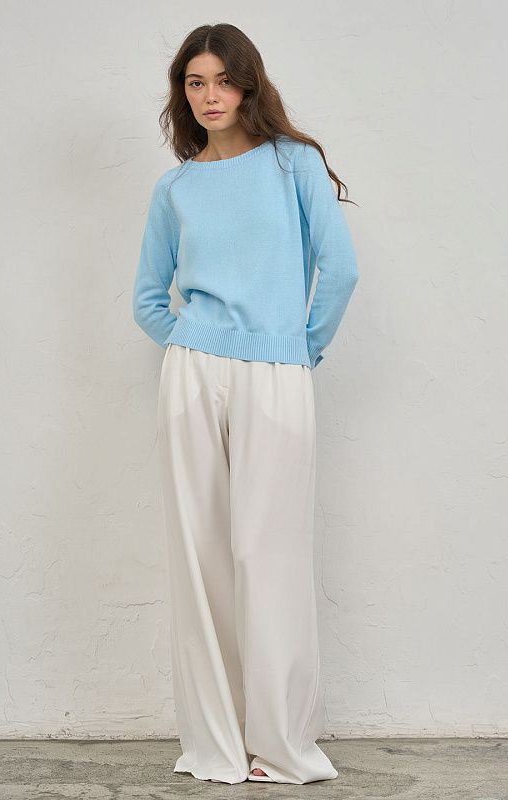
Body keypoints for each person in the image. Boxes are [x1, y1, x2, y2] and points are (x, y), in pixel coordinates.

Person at [132, 22, 359, 785]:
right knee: (199, 559)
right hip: (192, 376)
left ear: (248, 84)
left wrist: (299, 349)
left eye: (223, 81)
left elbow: (340, 269)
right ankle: (217, 745)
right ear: (182, 92)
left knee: (270, 554)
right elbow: (147, 298)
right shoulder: (175, 189)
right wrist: (191, 342)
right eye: (195, 82)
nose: (210, 96)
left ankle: (281, 746)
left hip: (276, 371)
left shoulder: (292, 162)